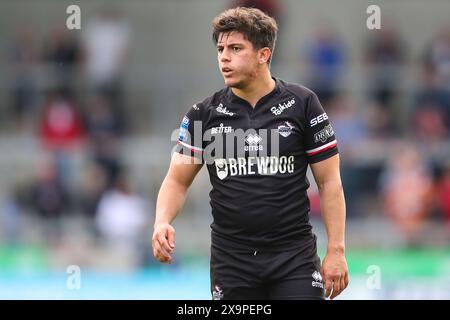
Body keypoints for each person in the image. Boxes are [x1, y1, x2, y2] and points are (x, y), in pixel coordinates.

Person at [152, 7, 348, 300]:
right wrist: (161, 221)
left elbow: (329, 182)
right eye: (220, 49)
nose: (224, 57)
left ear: (263, 54)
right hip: (232, 263)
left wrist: (336, 250)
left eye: (235, 48)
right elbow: (177, 181)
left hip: (293, 258)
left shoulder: (304, 104)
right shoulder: (202, 114)